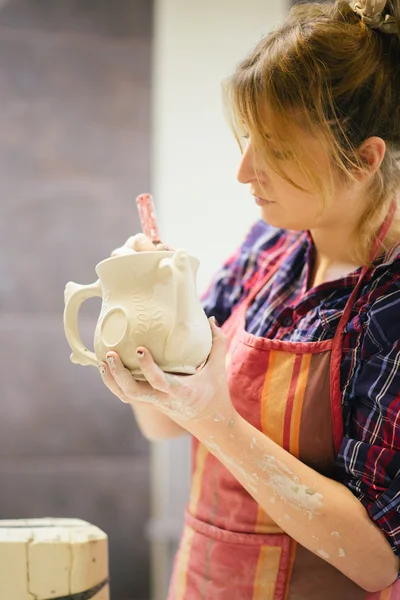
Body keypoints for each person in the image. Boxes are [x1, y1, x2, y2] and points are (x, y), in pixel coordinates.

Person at [99, 0, 400, 597]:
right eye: (248, 140)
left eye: (278, 149)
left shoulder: (388, 306)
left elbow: (378, 559)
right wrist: (150, 315)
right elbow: (163, 422)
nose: (244, 171)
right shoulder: (271, 248)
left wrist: (217, 420)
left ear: (364, 159)